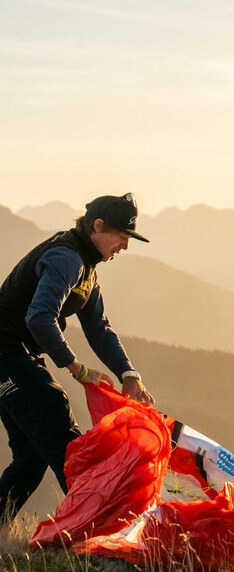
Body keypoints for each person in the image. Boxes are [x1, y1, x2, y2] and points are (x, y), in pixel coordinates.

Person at [0, 193, 155, 523]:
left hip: (14, 357)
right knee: (67, 445)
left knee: (29, 458)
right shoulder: (67, 259)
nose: (124, 247)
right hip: (8, 356)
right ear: (98, 226)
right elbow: (39, 317)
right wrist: (76, 368)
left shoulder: (86, 266)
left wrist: (129, 373)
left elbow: (98, 328)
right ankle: (91, 531)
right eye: (121, 236)